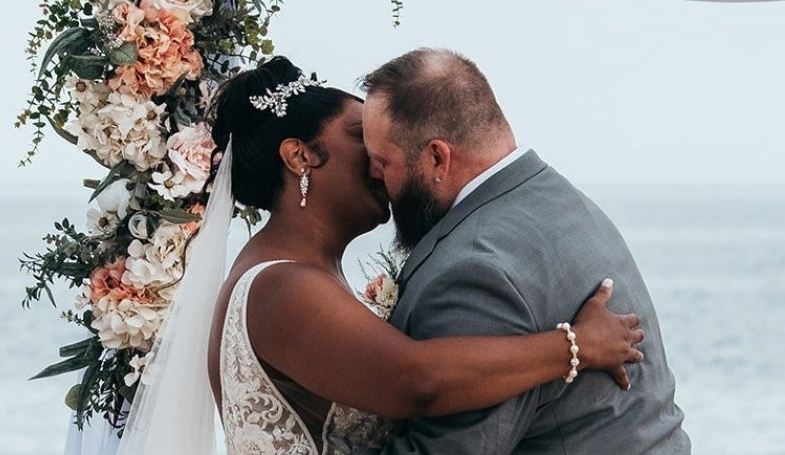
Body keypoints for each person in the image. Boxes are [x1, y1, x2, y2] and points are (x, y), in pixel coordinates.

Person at [116, 56, 644, 455]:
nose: (378, 162)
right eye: (359, 140)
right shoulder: (279, 286)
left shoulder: (302, 273)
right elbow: (415, 381)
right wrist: (575, 345)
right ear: (300, 156)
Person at [355, 48, 692, 454]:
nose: (373, 175)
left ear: (437, 158)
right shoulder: (554, 196)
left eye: (381, 161)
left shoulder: (473, 267)